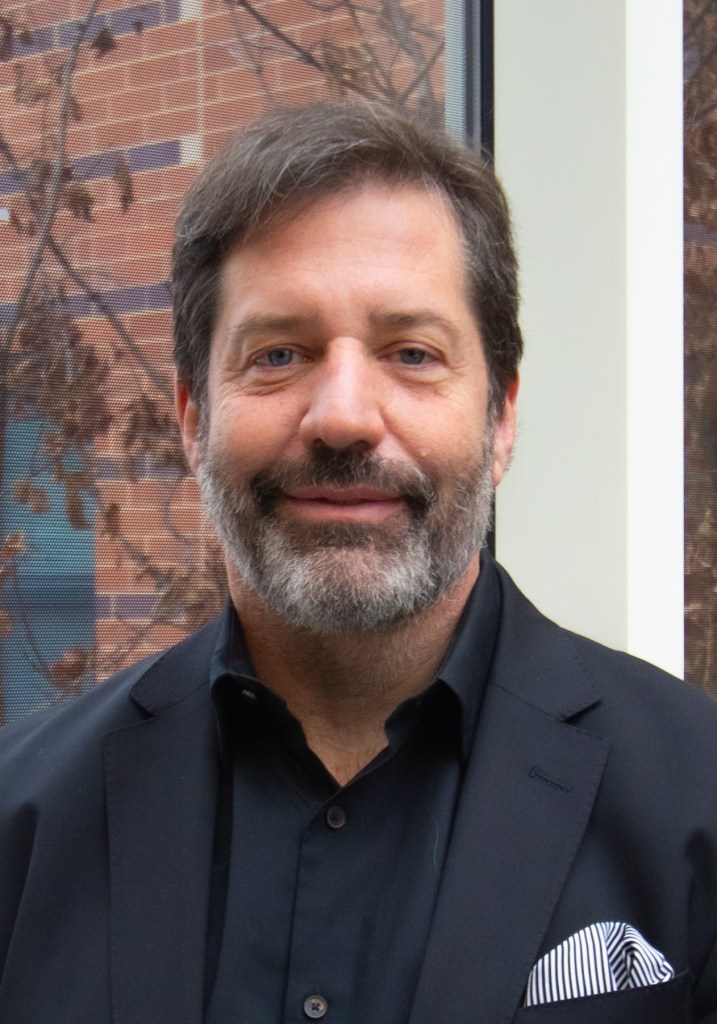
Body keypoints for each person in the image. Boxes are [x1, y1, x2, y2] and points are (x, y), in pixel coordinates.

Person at [0, 101, 715, 1024]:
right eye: (280, 353)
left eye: (411, 354)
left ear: (499, 417)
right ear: (191, 417)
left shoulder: (696, 798)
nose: (342, 415)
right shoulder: (20, 824)